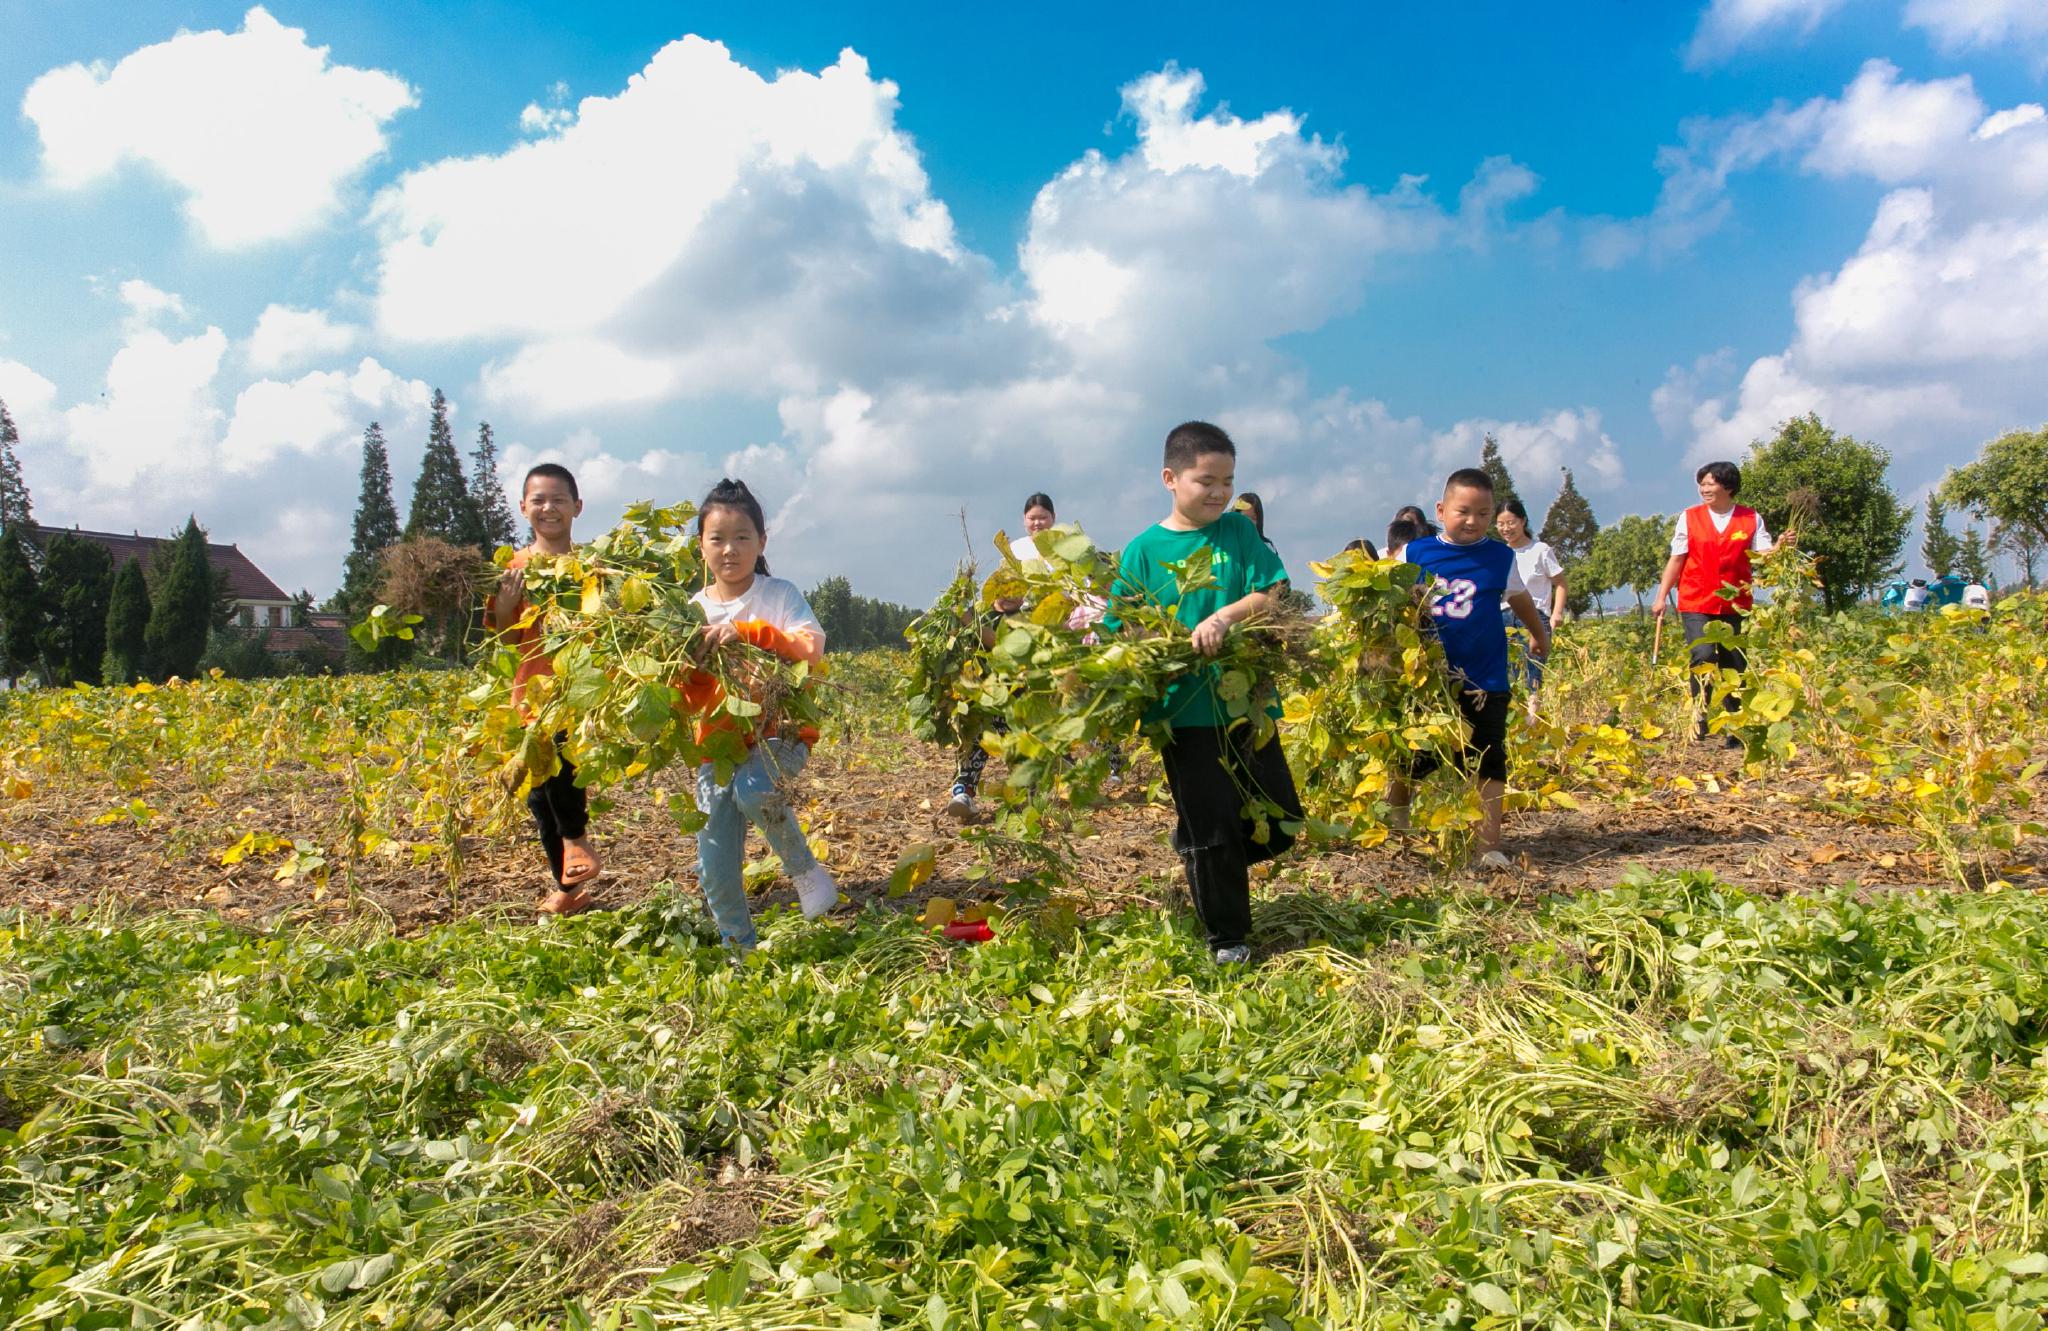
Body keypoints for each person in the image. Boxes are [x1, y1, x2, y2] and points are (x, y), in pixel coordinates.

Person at [1107, 422, 1302, 967]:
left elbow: (1270, 591)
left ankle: (1196, 842)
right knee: (1216, 826)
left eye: (1228, 481)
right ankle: (1228, 939)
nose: (1219, 492)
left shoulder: (1238, 533)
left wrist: (1225, 614)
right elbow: (1119, 626)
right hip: (1184, 711)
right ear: (1170, 478)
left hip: (1246, 703)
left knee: (1281, 817)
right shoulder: (1143, 551)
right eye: (1205, 480)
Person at [682, 478, 839, 949]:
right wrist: (693, 668)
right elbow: (688, 700)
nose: (729, 549)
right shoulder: (691, 612)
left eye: (742, 538)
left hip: (782, 730)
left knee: (756, 787)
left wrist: (749, 633)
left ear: (762, 542)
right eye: (717, 539)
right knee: (713, 860)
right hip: (719, 744)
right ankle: (739, 951)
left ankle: (806, 873)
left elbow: (809, 649)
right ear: (701, 546)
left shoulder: (780, 595)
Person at [1387, 469, 1550, 872]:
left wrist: (1538, 634)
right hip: (1429, 680)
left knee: (1489, 757)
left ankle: (1488, 846)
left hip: (1485, 676)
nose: (1473, 520)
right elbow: (1384, 598)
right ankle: (1396, 829)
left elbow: (1521, 597)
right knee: (1411, 758)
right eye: (1463, 511)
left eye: (1483, 512)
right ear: (1442, 510)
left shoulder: (1499, 556)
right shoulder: (1415, 554)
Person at [485, 463, 603, 917]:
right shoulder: (512, 567)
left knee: (562, 775)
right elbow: (506, 639)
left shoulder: (594, 566)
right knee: (540, 796)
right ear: (523, 507)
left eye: (557, 500)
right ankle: (570, 888)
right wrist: (510, 605)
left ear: (576, 507)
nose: (547, 508)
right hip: (530, 691)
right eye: (538, 500)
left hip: (579, 691)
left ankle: (577, 844)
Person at [1650, 461, 1786, 746]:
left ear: (1728, 486)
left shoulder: (1751, 518)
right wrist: (1662, 597)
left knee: (1734, 663)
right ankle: (1699, 716)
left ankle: (1735, 724)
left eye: (1710, 483)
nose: (1704, 489)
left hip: (1735, 602)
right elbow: (1677, 559)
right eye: (1702, 484)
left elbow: (1763, 556)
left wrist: (1781, 546)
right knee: (1702, 655)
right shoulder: (1689, 517)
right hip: (1696, 598)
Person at [949, 493, 1058, 820]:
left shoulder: (1030, 622)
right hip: (995, 688)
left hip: (1036, 670)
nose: (1037, 522)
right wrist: (964, 614)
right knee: (988, 730)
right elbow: (988, 637)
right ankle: (964, 791)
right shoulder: (991, 614)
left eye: (1043, 516)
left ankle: (1031, 798)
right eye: (1032, 517)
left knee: (1030, 733)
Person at [1495, 497, 1567, 702]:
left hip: (1534, 618)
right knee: (1508, 676)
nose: (1506, 528)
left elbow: (1560, 583)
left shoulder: (1540, 550)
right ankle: (1517, 725)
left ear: (1523, 521)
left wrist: (1556, 614)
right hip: (1503, 618)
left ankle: (1532, 723)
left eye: (1511, 522)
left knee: (1533, 675)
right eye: (1500, 524)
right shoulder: (1500, 553)